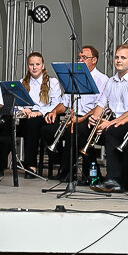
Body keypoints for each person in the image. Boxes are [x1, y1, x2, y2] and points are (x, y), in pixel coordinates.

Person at [44, 45, 108, 180]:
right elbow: (64, 104)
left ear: (94, 60)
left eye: (84, 57)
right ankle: (66, 168)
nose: (80, 60)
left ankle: (84, 172)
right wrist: (54, 111)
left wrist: (81, 119)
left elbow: (100, 106)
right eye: (79, 58)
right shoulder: (73, 78)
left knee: (75, 131)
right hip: (74, 116)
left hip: (91, 117)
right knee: (48, 130)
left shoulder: (103, 80)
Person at [88, 45, 128, 193]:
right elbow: (101, 104)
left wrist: (112, 122)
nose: (119, 61)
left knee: (111, 131)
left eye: (123, 58)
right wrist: (95, 120)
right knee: (84, 130)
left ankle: (114, 178)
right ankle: (93, 175)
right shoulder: (111, 80)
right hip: (114, 120)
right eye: (117, 57)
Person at [7, 52, 64, 176]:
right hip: (27, 116)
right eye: (31, 64)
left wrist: (39, 112)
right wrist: (22, 109)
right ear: (28, 66)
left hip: (45, 116)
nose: (34, 67)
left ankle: (31, 166)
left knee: (32, 124)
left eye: (37, 64)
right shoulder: (22, 82)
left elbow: (56, 104)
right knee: (7, 123)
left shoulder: (52, 82)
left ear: (42, 66)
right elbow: (17, 102)